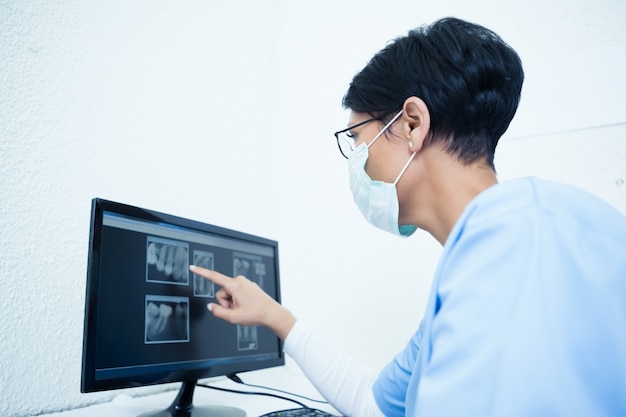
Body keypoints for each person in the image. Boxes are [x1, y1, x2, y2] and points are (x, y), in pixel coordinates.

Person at [190, 17, 626, 416]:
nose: (357, 161)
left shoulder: (512, 247)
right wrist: (275, 318)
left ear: (412, 124)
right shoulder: (489, 250)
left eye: (358, 139)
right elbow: (374, 403)